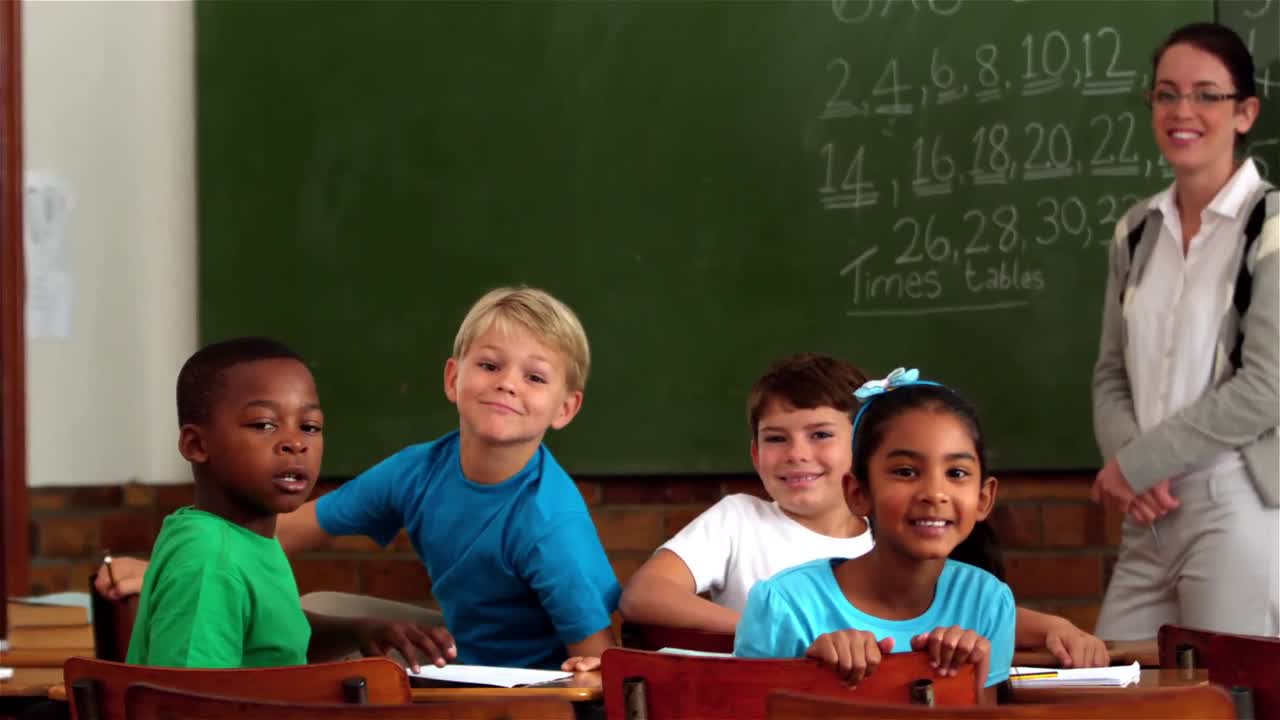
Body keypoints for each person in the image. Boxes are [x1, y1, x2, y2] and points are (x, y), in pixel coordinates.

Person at [106, 287, 619, 671]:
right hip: (459, 648)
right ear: (452, 378)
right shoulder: (419, 468)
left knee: (314, 630)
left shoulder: (550, 523)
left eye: (534, 377)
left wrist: (585, 673)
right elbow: (295, 527)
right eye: (489, 364)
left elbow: (597, 659)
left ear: (565, 408)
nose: (507, 383)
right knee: (314, 608)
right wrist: (164, 566)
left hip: (520, 682)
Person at [621, 353, 1108, 667]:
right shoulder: (744, 525)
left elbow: (959, 604)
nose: (797, 454)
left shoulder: (902, 537)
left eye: (820, 435)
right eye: (776, 439)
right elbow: (646, 595)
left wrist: (1054, 628)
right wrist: (766, 627)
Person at [1091, 21, 1278, 639]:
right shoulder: (1137, 230)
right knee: (1118, 684)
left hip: (1238, 504)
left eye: (1205, 94)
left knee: (1233, 695)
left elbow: (1266, 388)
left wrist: (1140, 462)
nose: (1182, 111)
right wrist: (1128, 464)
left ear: (1245, 112)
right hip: (1147, 513)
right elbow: (1111, 373)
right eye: (1166, 94)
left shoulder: (1272, 225)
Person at [128, 337, 455, 669]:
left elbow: (272, 638)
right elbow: (185, 701)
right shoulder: (210, 559)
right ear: (196, 444)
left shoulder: (246, 538)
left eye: (310, 427)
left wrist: (359, 630)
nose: (295, 443)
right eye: (264, 424)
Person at [733, 369, 1015, 698]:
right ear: (858, 493)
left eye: (956, 473)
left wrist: (969, 668)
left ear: (983, 498)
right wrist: (811, 675)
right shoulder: (784, 606)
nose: (935, 493)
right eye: (906, 472)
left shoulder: (986, 601)